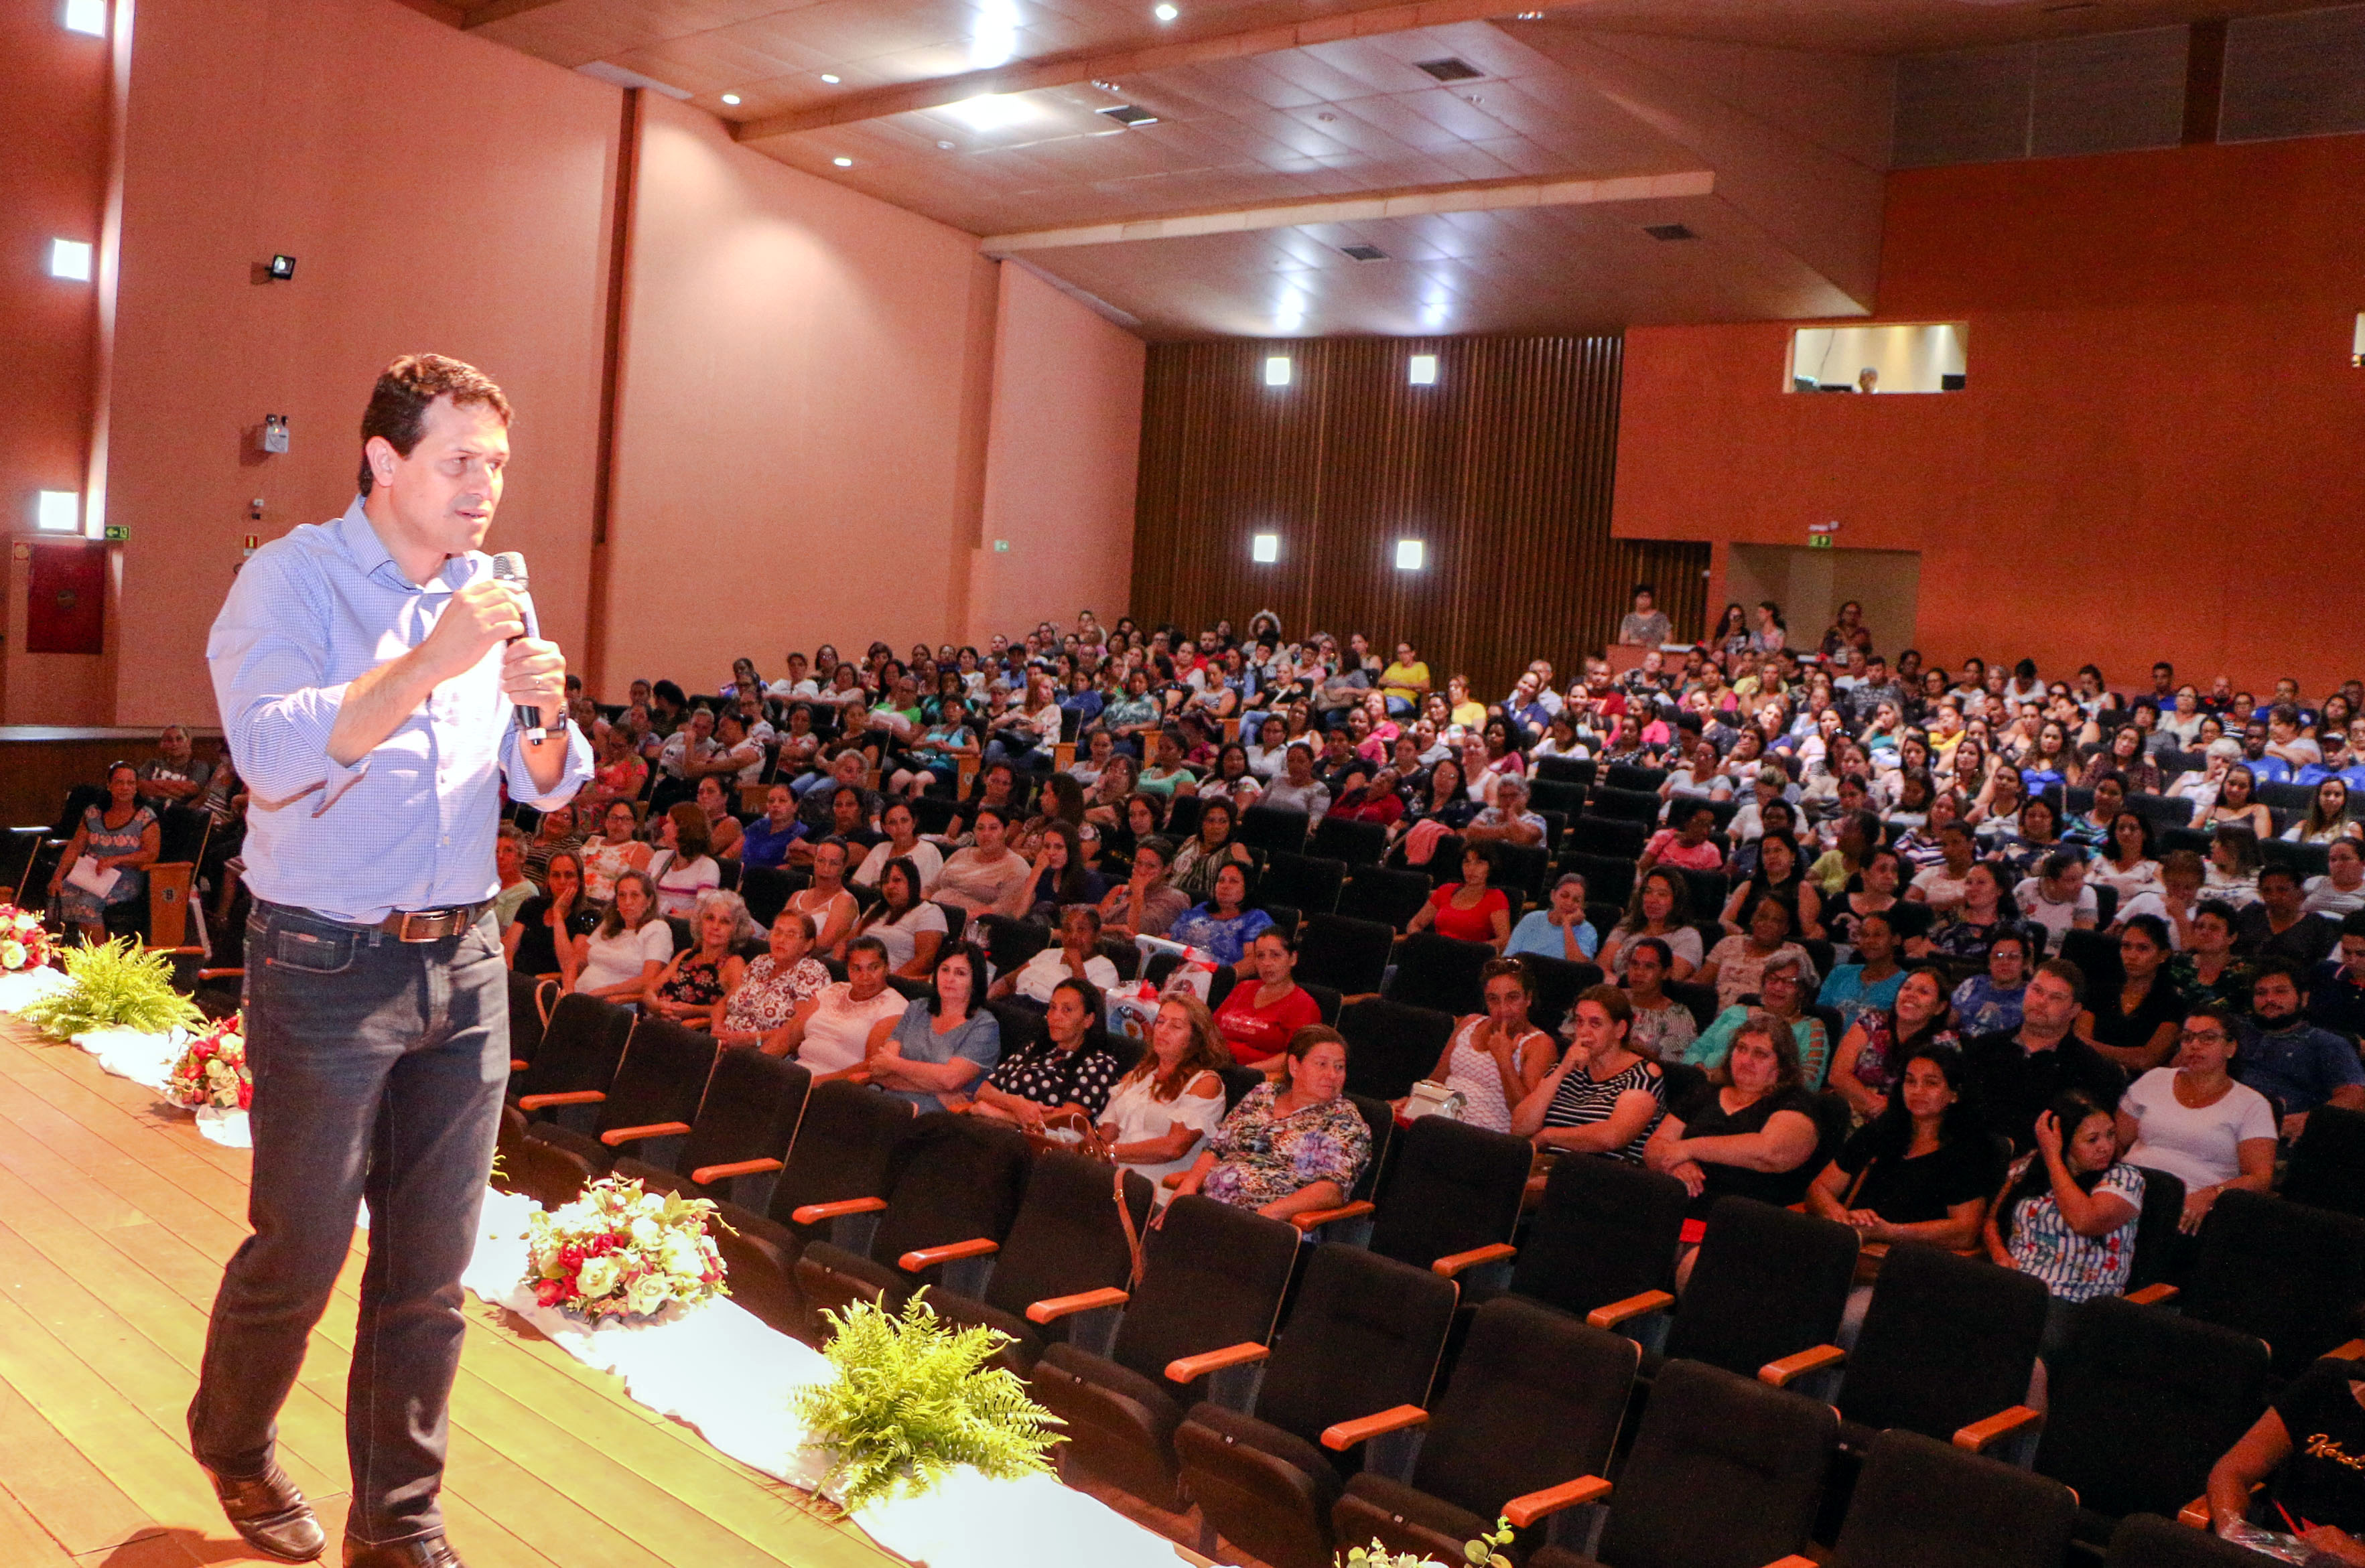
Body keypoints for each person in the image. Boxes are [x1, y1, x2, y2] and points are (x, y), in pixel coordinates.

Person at [192, 354, 592, 1568]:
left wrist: (549, 712)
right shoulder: (292, 579)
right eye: (459, 460)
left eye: (499, 466)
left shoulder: (493, 593)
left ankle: (398, 1524)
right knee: (301, 1248)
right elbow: (270, 755)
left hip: (465, 965)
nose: (485, 489)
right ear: (383, 460)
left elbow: (547, 784)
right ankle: (235, 1436)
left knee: (429, 1275)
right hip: (323, 967)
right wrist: (428, 660)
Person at [1984, 1092, 2145, 1350]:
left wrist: (2052, 1158)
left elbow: (2083, 1221)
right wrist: (1999, 1253)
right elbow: (1992, 1219)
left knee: (2019, 1349)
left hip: (2076, 1301)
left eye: (2111, 1135)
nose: (2105, 1146)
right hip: (2018, 1286)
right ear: (2065, 1141)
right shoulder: (2030, 1169)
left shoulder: (2124, 1179)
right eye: (2093, 1140)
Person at [1644, 1011, 1823, 1242]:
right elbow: (1654, 1148)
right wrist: (1675, 1164)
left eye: (1760, 1054)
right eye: (1741, 1049)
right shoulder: (1707, 1092)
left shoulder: (1796, 1102)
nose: (1746, 1060)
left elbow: (1770, 1151)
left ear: (1782, 1065)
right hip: (1677, 1211)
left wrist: (1688, 1149)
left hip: (1745, 1225)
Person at [1809, 1044, 2000, 1254]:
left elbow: (1965, 1232)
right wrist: (1841, 1216)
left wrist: (1889, 1232)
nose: (1917, 1091)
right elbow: (1820, 1189)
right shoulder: (1881, 1131)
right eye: (1910, 1081)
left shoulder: (1969, 1150)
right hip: (1851, 1249)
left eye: (1931, 1083)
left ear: (1955, 1094)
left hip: (1911, 1263)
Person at [1171, 1025, 1369, 1221]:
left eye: (1339, 1067)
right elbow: (1216, 1149)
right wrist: (1188, 1185)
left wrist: (1267, 1215)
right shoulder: (1263, 1094)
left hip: (1272, 1224)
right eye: (1322, 1065)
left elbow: (1331, 1190)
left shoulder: (1344, 1120)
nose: (1332, 1075)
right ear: (1294, 1066)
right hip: (1210, 1206)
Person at [2116, 1001, 2277, 1236]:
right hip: (2129, 1189)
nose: (2195, 1046)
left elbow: (2260, 1178)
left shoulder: (2252, 1104)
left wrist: (2211, 1194)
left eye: (2208, 1038)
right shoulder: (2155, 1079)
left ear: (2231, 1048)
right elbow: (2116, 1142)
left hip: (2192, 1204)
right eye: (2188, 1038)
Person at [2204, 1361, 2365, 1564]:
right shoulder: (2328, 1383)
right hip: (2275, 1552)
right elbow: (2231, 1472)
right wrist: (2235, 1535)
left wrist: (2354, 1552)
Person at [1963, 959, 2127, 1152]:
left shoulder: (2095, 1070)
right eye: (2037, 991)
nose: (2041, 1002)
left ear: (2074, 1011)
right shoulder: (1982, 1048)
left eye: (2056, 997)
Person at [1513, 984, 1669, 1163]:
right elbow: (1520, 1127)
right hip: (1549, 1167)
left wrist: (1549, 1136)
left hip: (1602, 1173)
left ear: (1620, 1030)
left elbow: (1614, 1136)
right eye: (1580, 1022)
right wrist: (1561, 1071)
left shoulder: (1643, 1075)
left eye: (1595, 1024)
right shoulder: (1568, 1066)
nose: (1584, 1032)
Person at [1098, 994, 1232, 1200]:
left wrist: (1111, 1151)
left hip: (1157, 1188)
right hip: (1115, 1177)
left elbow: (1174, 1147)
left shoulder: (1205, 1084)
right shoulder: (1135, 1077)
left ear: (1195, 1038)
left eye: (1176, 1026)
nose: (1163, 1030)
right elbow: (1104, 1136)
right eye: (1160, 1022)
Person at [1409, 958, 1554, 1133]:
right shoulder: (1470, 1022)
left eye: (1512, 998)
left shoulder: (1539, 1044)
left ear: (1528, 998)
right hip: (1439, 1123)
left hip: (1484, 1138)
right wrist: (1410, 1103)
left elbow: (1525, 1119)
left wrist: (1504, 1061)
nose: (1503, 1009)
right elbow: (1437, 1079)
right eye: (1493, 999)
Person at [963, 977, 1126, 1129]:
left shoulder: (1100, 1064)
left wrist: (997, 1113)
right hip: (990, 1128)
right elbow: (983, 1091)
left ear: (1088, 1020)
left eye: (1067, 1010)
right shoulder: (1035, 1049)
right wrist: (1015, 1103)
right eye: (1053, 1008)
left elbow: (1068, 1119)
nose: (1055, 1017)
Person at [2235, 960, 2365, 1141]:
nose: (2270, 999)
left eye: (2280, 992)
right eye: (2261, 993)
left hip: (2284, 1137)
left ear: (2303, 999)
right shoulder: (2233, 1032)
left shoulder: (2325, 1043)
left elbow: (2354, 1097)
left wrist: (2308, 1122)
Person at [867, 942, 1002, 1113]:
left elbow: (951, 1079)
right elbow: (880, 1071)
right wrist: (937, 1088)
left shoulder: (984, 1026)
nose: (950, 979)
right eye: (945, 970)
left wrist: (895, 1065)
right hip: (886, 1100)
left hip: (932, 1116)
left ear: (975, 981)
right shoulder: (917, 1008)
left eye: (960, 973)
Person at [1682, 950, 1834, 1089]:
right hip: (1704, 1087)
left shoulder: (1812, 1028)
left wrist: (1733, 1079)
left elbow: (1809, 1082)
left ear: (1802, 990)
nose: (1778, 987)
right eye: (1772, 979)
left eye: (1789, 982)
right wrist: (1704, 1074)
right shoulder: (1735, 1012)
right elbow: (1694, 1052)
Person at [50, 761, 160, 944]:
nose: (125, 787)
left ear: (136, 787)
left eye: (130, 783)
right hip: (90, 874)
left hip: (124, 878)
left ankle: (101, 962)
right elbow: (75, 847)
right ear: (109, 785)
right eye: (119, 782)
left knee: (88, 903)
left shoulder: (146, 816)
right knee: (63, 893)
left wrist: (116, 860)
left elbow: (151, 854)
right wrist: (58, 876)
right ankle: (82, 953)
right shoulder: (93, 813)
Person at [770, 935, 908, 1078]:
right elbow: (787, 1036)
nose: (865, 976)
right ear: (848, 969)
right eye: (857, 968)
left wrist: (813, 1084)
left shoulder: (895, 1006)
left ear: (887, 968)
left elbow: (872, 1065)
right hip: (798, 1072)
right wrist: (755, 1065)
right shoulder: (833, 990)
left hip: (839, 1087)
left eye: (874, 968)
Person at [712, 910, 831, 1052]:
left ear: (808, 945)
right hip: (724, 1042)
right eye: (778, 932)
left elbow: (797, 1031)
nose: (781, 940)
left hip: (763, 1052)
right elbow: (724, 1002)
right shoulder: (761, 962)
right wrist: (717, 1030)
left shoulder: (812, 972)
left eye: (791, 935)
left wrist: (748, 1040)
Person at [1213, 928, 1322, 1068]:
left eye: (1275, 955)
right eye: (1260, 956)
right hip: (1218, 1065)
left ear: (1293, 958)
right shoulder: (1243, 988)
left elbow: (1294, 1056)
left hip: (1259, 1075)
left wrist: (1246, 1072)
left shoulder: (1304, 1005)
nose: (1267, 963)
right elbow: (1211, 1030)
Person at [569, 869, 673, 1003]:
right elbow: (576, 961)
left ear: (650, 901)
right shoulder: (608, 924)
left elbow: (649, 980)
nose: (627, 902)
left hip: (615, 1004)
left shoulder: (657, 929)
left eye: (635, 895)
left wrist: (602, 993)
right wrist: (569, 991)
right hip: (580, 999)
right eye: (622, 895)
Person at [1698, 896, 1813, 1013]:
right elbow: (1701, 984)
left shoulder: (1794, 954)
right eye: (1762, 917)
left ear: (1786, 928)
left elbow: (1800, 999)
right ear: (1753, 919)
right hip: (1716, 1017)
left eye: (1776, 921)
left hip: (1761, 1019)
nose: (1767, 924)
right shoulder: (1729, 943)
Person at [996, 904, 1123, 1007]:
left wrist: (1077, 966)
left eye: (1081, 930)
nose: (1073, 937)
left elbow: (1090, 1006)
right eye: (1067, 930)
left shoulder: (1105, 968)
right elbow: (1008, 982)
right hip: (1013, 1004)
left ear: (1097, 936)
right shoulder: (1048, 954)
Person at [502, 848, 594, 980]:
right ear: (548, 880)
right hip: (516, 978)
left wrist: (558, 915)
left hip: (549, 984)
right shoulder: (532, 904)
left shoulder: (588, 916)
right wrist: (509, 976)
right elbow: (509, 950)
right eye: (556, 875)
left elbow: (570, 968)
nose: (562, 881)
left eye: (569, 875)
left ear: (579, 880)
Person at [848, 857, 948, 979]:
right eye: (885, 882)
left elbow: (926, 961)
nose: (890, 886)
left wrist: (887, 981)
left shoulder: (929, 912)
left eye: (897, 880)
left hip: (895, 982)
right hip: (860, 976)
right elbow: (848, 940)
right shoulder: (876, 908)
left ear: (912, 884)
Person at [1599, 867, 1704, 981]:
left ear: (1676, 902)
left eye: (1662, 894)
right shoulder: (1625, 929)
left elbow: (1667, 979)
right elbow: (1601, 968)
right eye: (1648, 892)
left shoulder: (1687, 937)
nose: (1652, 900)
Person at [1169, 861, 1274, 971]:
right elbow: (1168, 937)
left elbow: (1252, 961)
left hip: (1217, 978)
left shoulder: (1256, 918)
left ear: (1247, 888)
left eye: (1233, 881)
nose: (1225, 886)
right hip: (1175, 968)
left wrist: (1222, 979)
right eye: (1221, 880)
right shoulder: (1201, 908)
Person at [1406, 843, 1514, 950]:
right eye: (1467, 862)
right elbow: (1416, 923)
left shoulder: (1495, 897)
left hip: (1470, 957)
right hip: (1436, 953)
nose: (1471, 869)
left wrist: (1472, 950)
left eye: (1479, 863)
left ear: (1491, 867)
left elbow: (1504, 940)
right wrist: (1423, 944)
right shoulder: (1446, 890)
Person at [931, 805, 1032, 916]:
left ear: (1006, 831)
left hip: (974, 924)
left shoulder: (1017, 866)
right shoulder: (961, 854)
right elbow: (931, 888)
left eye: (993, 828)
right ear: (974, 831)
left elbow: (1007, 910)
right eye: (980, 828)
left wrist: (965, 916)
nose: (986, 834)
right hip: (933, 914)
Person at [2236, 865, 2341, 969]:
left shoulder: (2317, 926)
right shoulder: (2251, 914)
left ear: (2299, 891)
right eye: (2267, 891)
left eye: (2282, 890)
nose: (2274, 897)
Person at [1819, 910, 1905, 1032]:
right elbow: (1819, 1016)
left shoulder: (1906, 984)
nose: (1869, 941)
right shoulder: (1840, 973)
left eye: (1878, 935)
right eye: (1864, 935)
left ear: (1896, 939)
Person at [1619, 936, 1700, 1062]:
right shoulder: (1610, 999)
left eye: (1649, 967)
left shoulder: (1677, 1016)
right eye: (1634, 964)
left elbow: (1674, 1067)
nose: (1639, 973)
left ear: (1666, 973)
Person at [1098, 833, 1190, 940]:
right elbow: (1094, 926)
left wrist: (1138, 893)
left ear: (1167, 869)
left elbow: (1137, 934)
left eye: (1151, 866)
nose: (1142, 871)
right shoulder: (1120, 890)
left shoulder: (1175, 899)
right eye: (1138, 863)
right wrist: (1115, 929)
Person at [645, 802, 721, 919]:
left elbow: (702, 912)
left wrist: (664, 918)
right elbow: (642, 893)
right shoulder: (659, 857)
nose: (663, 828)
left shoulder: (707, 866)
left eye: (668, 823)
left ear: (683, 828)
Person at [1952, 930, 2033, 1036]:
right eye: (1998, 956)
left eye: (2013, 957)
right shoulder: (1972, 984)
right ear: (1989, 962)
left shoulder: (2033, 995)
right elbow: (1949, 1022)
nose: (2004, 962)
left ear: (2025, 963)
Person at [851, 799, 943, 890]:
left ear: (914, 822)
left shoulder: (929, 851)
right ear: (885, 828)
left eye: (904, 821)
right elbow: (857, 884)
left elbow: (932, 891)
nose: (899, 827)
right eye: (892, 822)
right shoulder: (880, 849)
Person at [1507, 873, 1599, 963]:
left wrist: (1567, 924)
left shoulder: (1588, 931)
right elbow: (1509, 956)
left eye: (1576, 900)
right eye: (1564, 896)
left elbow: (1580, 968)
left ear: (1583, 906)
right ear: (1553, 895)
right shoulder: (1531, 919)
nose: (1569, 903)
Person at [580, 800, 653, 905]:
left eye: (626, 819)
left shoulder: (640, 848)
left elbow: (635, 889)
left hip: (607, 905)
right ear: (606, 821)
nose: (619, 824)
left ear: (634, 825)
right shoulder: (593, 840)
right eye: (614, 818)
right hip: (575, 898)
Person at [136, 723, 214, 811]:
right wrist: (176, 792)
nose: (174, 744)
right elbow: (141, 786)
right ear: (163, 744)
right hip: (149, 813)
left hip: (181, 815)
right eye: (169, 740)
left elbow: (192, 788)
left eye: (179, 739)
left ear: (188, 742)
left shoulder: (199, 766)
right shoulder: (152, 763)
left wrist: (156, 783)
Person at [734, 783, 803, 869]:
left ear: (795, 807)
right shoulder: (759, 824)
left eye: (782, 801)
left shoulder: (800, 833)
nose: (775, 805)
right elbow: (731, 852)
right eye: (771, 801)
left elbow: (790, 868)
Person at [2305, 839, 2365, 919]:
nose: (2337, 864)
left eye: (2345, 859)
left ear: (2363, 863)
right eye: (2333, 859)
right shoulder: (2316, 883)